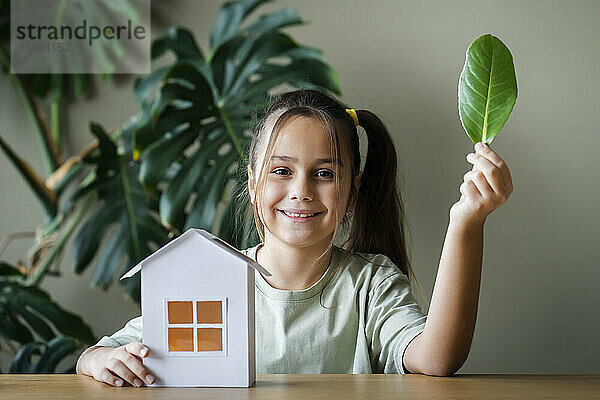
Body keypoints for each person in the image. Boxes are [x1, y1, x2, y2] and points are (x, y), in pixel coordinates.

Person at [76, 89, 513, 387]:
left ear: (352, 189)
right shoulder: (212, 279)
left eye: (324, 174)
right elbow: (99, 354)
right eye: (282, 171)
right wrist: (98, 361)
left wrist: (466, 225)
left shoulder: (371, 287)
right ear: (252, 184)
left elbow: (436, 360)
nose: (301, 190)